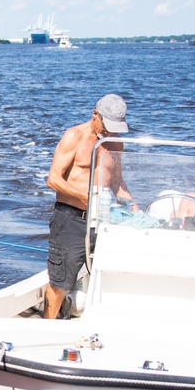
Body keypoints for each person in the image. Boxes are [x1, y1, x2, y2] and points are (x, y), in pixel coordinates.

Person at [44, 94, 136, 319]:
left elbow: (117, 182)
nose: (110, 132)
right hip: (70, 218)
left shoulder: (114, 141)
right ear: (95, 115)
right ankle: (46, 326)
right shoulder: (74, 136)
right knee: (59, 282)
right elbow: (53, 179)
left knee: (107, 274)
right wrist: (86, 198)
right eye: (107, 125)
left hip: (103, 218)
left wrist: (135, 210)